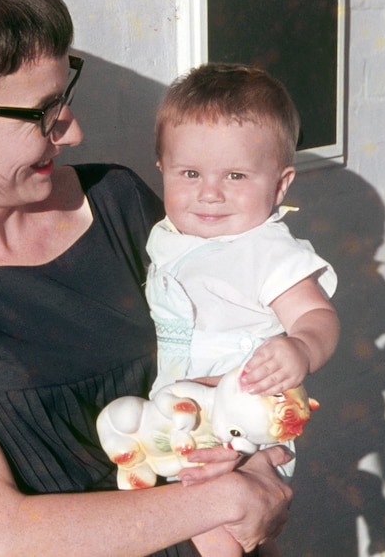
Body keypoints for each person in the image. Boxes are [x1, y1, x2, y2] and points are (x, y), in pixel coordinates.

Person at [0, 0, 293, 556]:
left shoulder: (118, 201)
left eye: (63, 97)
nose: (71, 130)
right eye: (41, 112)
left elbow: (236, 345)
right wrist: (228, 501)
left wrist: (251, 455)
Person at [145, 64, 340, 556]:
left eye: (235, 175)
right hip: (187, 404)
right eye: (190, 173)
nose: (210, 192)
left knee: (218, 516)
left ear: (279, 185)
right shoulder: (169, 236)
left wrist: (300, 349)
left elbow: (317, 317)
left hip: (245, 409)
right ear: (162, 171)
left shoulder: (267, 250)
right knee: (202, 510)